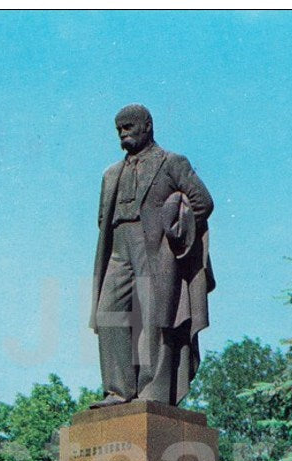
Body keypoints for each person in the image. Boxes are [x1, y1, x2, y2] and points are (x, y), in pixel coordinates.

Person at [89, 104, 215, 408]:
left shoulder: (171, 163)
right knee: (109, 313)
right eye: (119, 128)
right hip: (119, 248)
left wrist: (175, 229)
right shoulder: (111, 174)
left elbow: (203, 202)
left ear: (147, 127)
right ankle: (118, 391)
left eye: (129, 127)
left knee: (153, 322)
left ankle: (152, 393)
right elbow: (102, 218)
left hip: (155, 250)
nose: (123, 133)